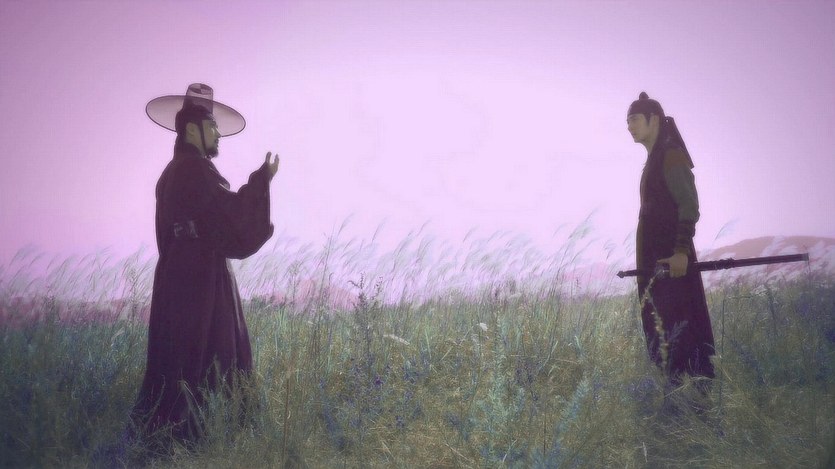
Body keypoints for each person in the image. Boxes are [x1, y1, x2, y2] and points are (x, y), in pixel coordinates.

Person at [132, 83, 280, 443]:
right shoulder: (195, 170)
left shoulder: (171, 172)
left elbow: (170, 234)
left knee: (179, 354)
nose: (217, 134)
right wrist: (261, 180)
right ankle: (202, 435)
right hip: (200, 280)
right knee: (208, 350)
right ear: (191, 131)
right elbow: (230, 214)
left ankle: (170, 434)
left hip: (177, 276)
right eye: (211, 127)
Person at [626, 92, 715, 395]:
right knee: (663, 337)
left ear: (654, 119)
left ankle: (700, 409)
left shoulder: (671, 155)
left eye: (634, 119)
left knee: (686, 335)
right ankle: (675, 406)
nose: (629, 126)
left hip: (674, 266)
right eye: (627, 121)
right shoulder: (652, 161)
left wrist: (680, 253)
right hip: (656, 268)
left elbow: (689, 205)